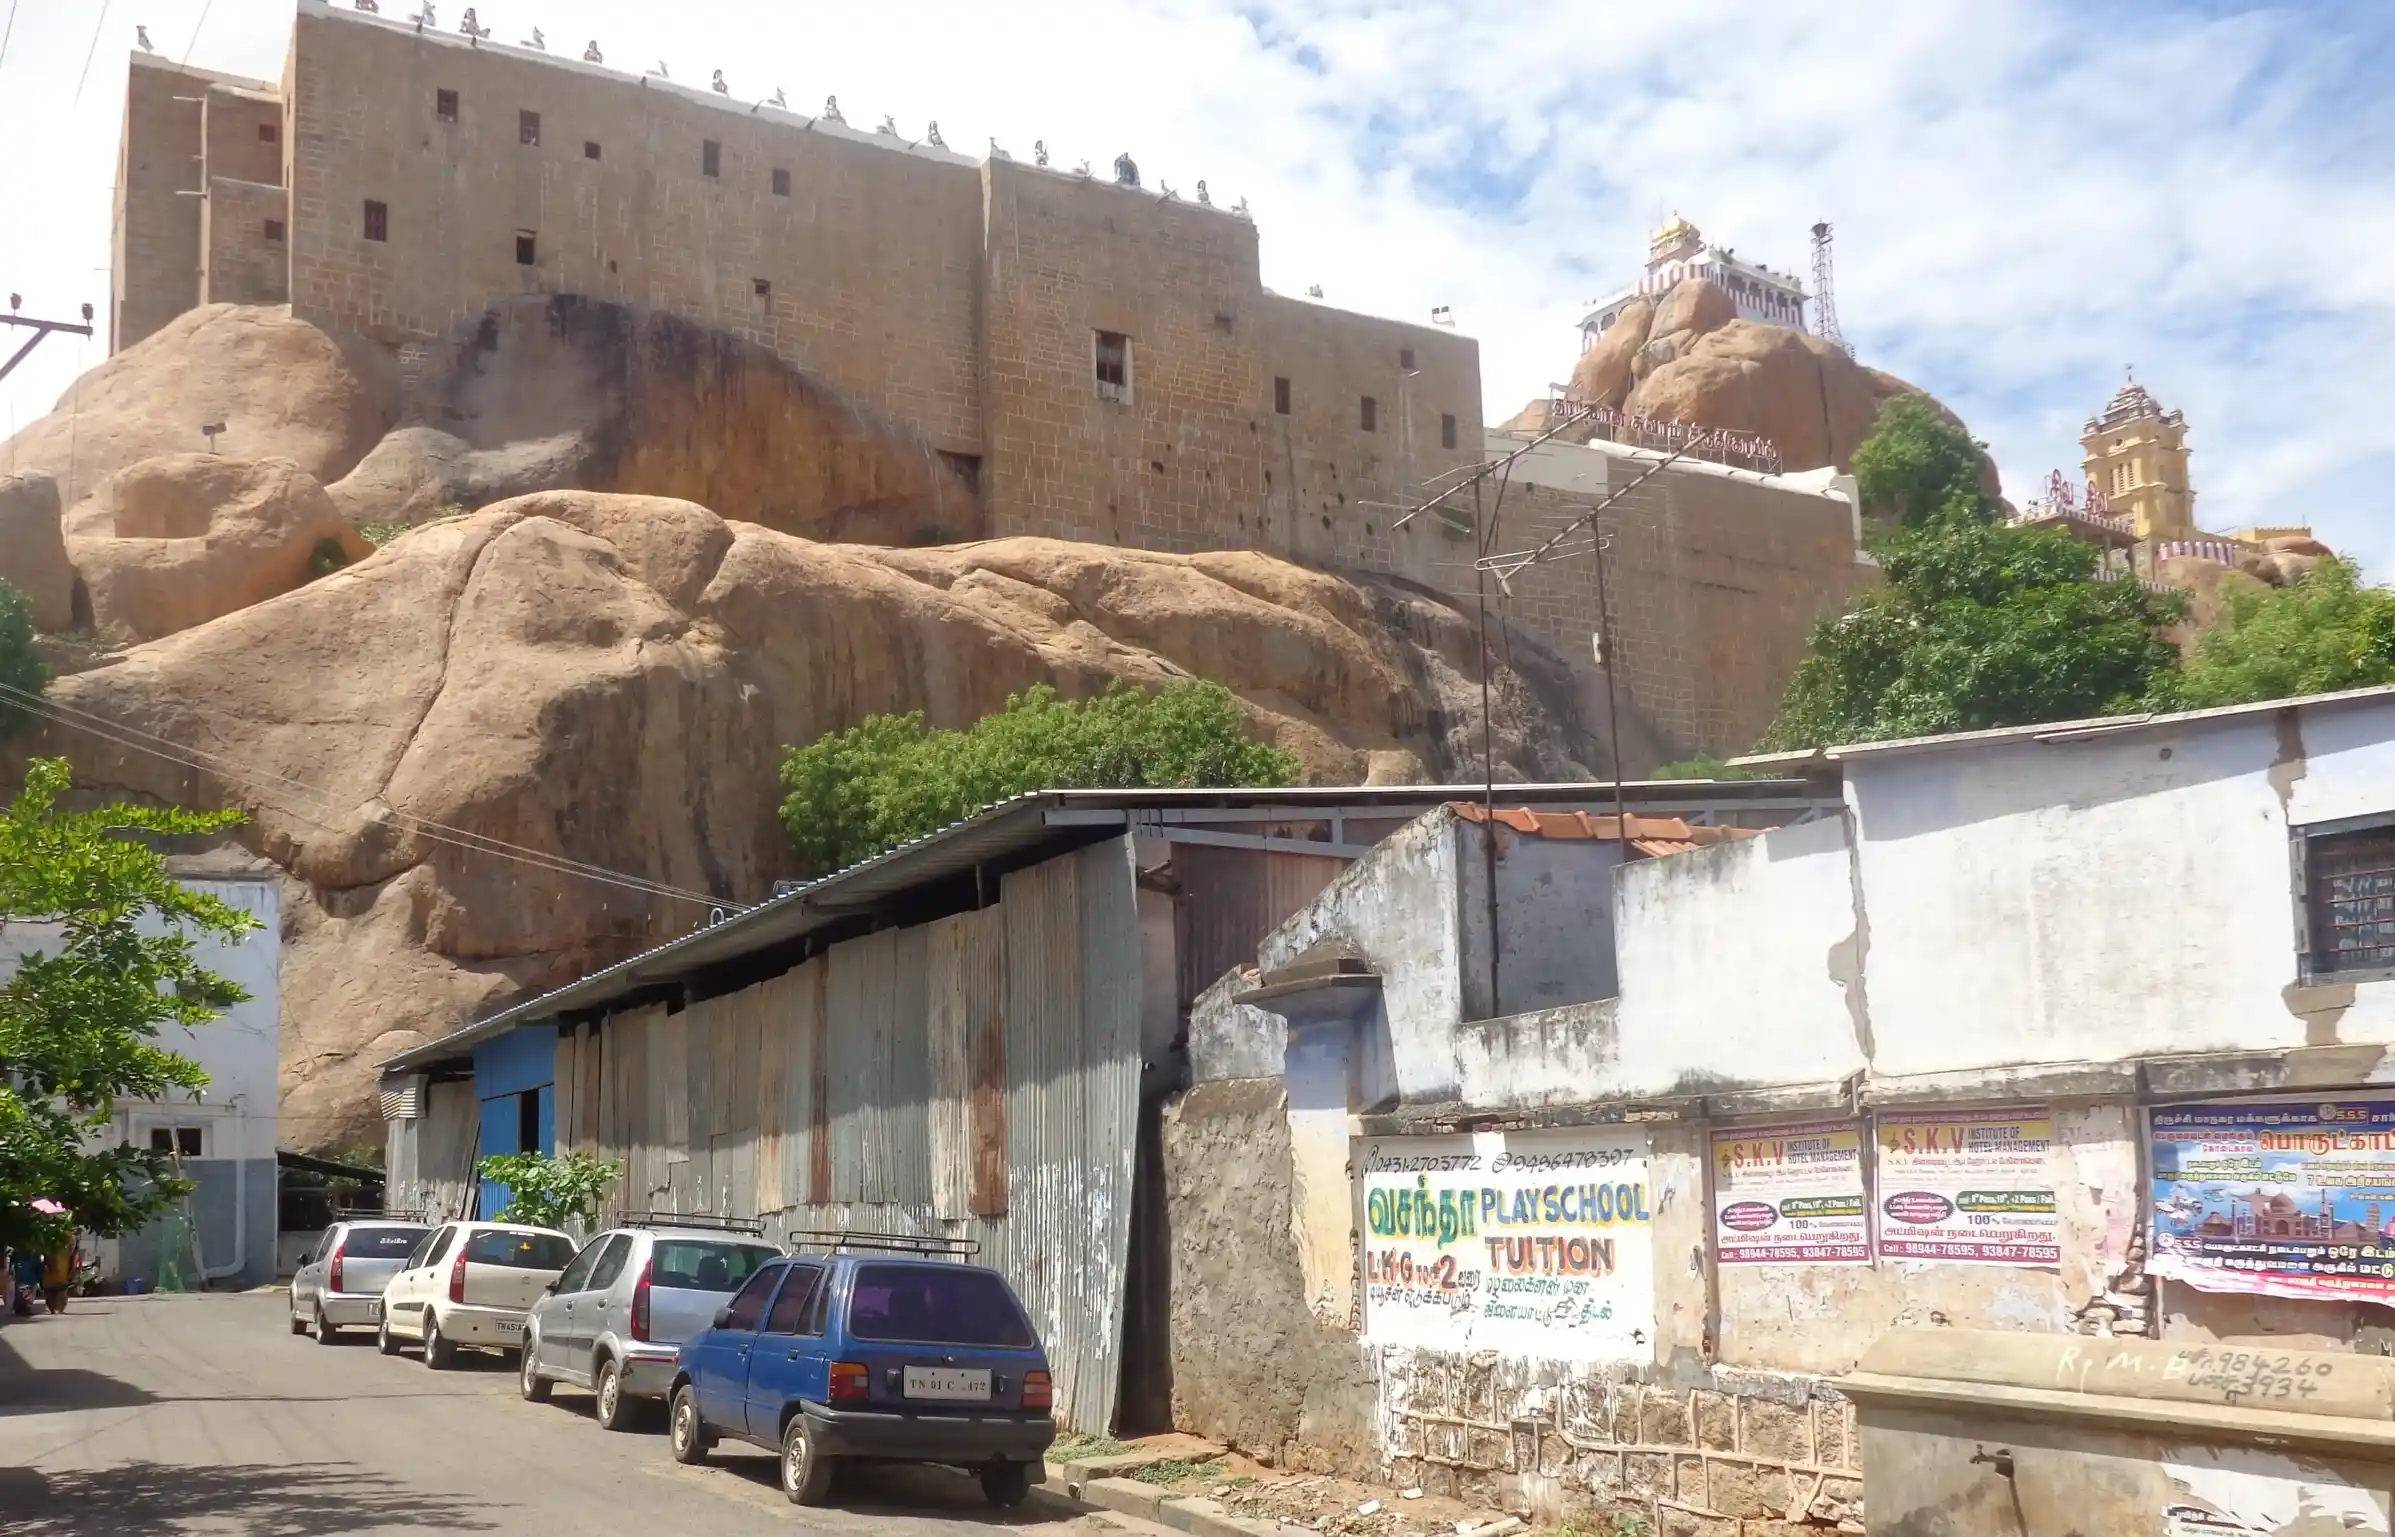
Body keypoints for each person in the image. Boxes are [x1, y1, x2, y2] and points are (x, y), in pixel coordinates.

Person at [41, 1237, 74, 1314]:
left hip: (58, 1279)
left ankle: (55, 1310)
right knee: (51, 1296)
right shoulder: (50, 1246)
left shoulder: (50, 1245)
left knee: (55, 1296)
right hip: (55, 1279)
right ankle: (54, 1310)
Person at [9, 1249, 39, 1316]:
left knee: (23, 1293)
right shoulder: (34, 1255)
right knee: (24, 1293)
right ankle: (25, 1307)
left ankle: (24, 1307)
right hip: (26, 1277)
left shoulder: (34, 1255)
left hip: (26, 1277)